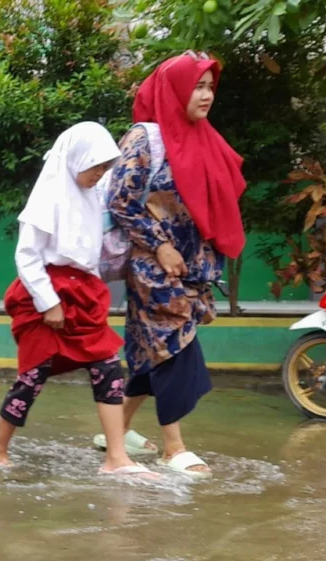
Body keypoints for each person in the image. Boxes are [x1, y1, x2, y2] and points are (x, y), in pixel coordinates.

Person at [0, 123, 156, 479]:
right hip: (45, 292)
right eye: (95, 166)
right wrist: (48, 302)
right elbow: (26, 256)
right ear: (77, 160)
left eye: (104, 168)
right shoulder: (47, 197)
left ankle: (116, 458)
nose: (99, 174)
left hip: (84, 293)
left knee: (107, 366)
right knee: (33, 376)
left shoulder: (92, 195)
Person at [102, 52, 247, 478]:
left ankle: (117, 430)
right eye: (197, 86)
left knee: (153, 350)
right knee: (174, 340)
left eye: (209, 86)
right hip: (152, 264)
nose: (206, 95)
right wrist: (160, 245)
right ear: (174, 90)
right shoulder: (145, 139)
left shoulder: (204, 137)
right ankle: (174, 447)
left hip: (190, 265)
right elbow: (120, 201)